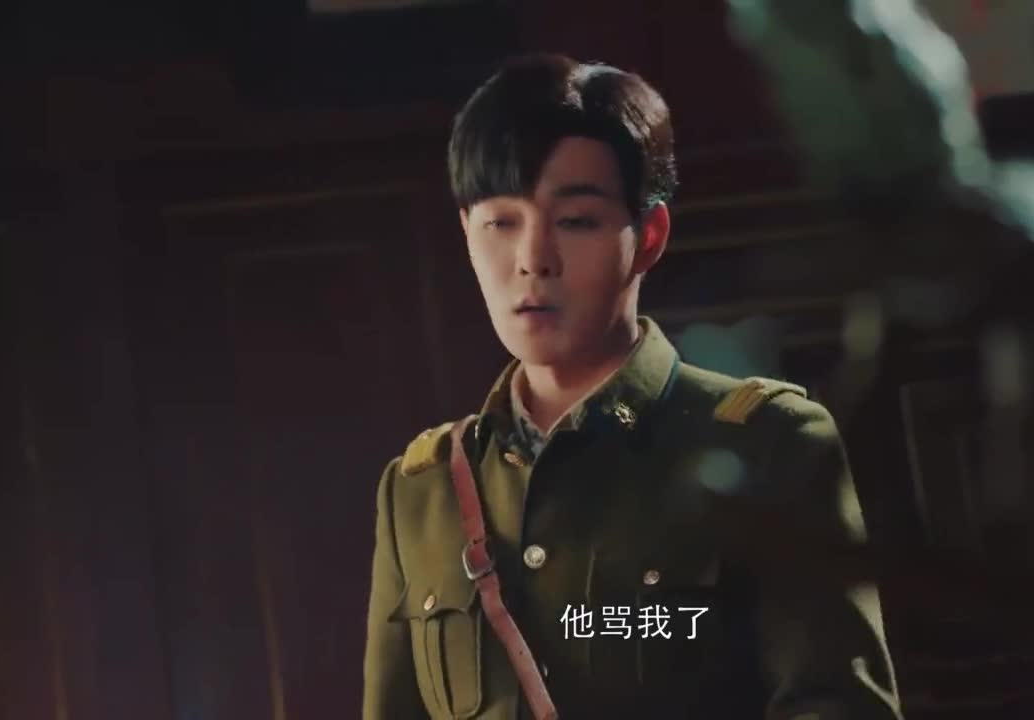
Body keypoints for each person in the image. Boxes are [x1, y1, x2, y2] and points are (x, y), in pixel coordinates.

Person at [362, 52, 900, 720]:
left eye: (576, 220)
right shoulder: (422, 491)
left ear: (647, 236)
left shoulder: (770, 444)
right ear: (468, 236)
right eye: (501, 222)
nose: (533, 259)